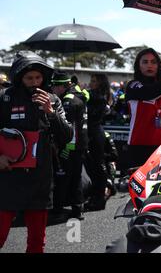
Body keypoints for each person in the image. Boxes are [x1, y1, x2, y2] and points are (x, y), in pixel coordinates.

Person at [0, 51, 72, 253]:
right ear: (19, 77)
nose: (34, 82)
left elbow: (67, 135)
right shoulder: (5, 98)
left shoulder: (52, 100)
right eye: (29, 78)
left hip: (40, 176)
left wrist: (50, 112)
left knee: (36, 241)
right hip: (8, 175)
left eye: (38, 77)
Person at [50, 70, 88, 220]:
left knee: (63, 178)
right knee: (76, 178)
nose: (52, 90)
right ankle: (77, 209)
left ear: (61, 86)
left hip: (70, 148)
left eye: (54, 86)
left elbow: (70, 128)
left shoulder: (67, 101)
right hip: (80, 146)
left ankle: (58, 210)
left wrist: (66, 148)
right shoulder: (79, 96)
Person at [84, 73, 111, 211]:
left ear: (100, 83)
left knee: (97, 166)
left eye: (93, 81)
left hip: (95, 133)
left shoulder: (98, 97)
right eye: (91, 80)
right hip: (91, 132)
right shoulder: (91, 95)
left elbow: (92, 117)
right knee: (91, 167)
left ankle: (99, 198)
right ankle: (95, 195)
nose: (90, 83)